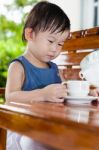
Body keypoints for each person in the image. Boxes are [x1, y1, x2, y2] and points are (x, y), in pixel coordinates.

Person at [5, 1, 70, 150]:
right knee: (36, 142)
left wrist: (87, 93)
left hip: (50, 127)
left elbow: (67, 90)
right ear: (30, 34)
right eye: (51, 41)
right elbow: (11, 97)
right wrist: (42, 94)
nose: (55, 49)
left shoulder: (54, 69)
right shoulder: (18, 66)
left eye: (60, 44)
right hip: (22, 129)